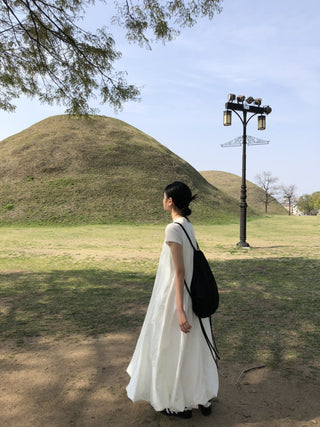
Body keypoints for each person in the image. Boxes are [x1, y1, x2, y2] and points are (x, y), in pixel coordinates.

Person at [126, 181, 219, 419]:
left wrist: (179, 310)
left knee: (171, 348)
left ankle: (178, 404)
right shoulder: (188, 226)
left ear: (170, 201)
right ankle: (202, 396)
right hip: (192, 296)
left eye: (163, 197)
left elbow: (179, 272)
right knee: (193, 349)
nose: (162, 200)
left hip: (177, 297)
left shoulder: (173, 229)